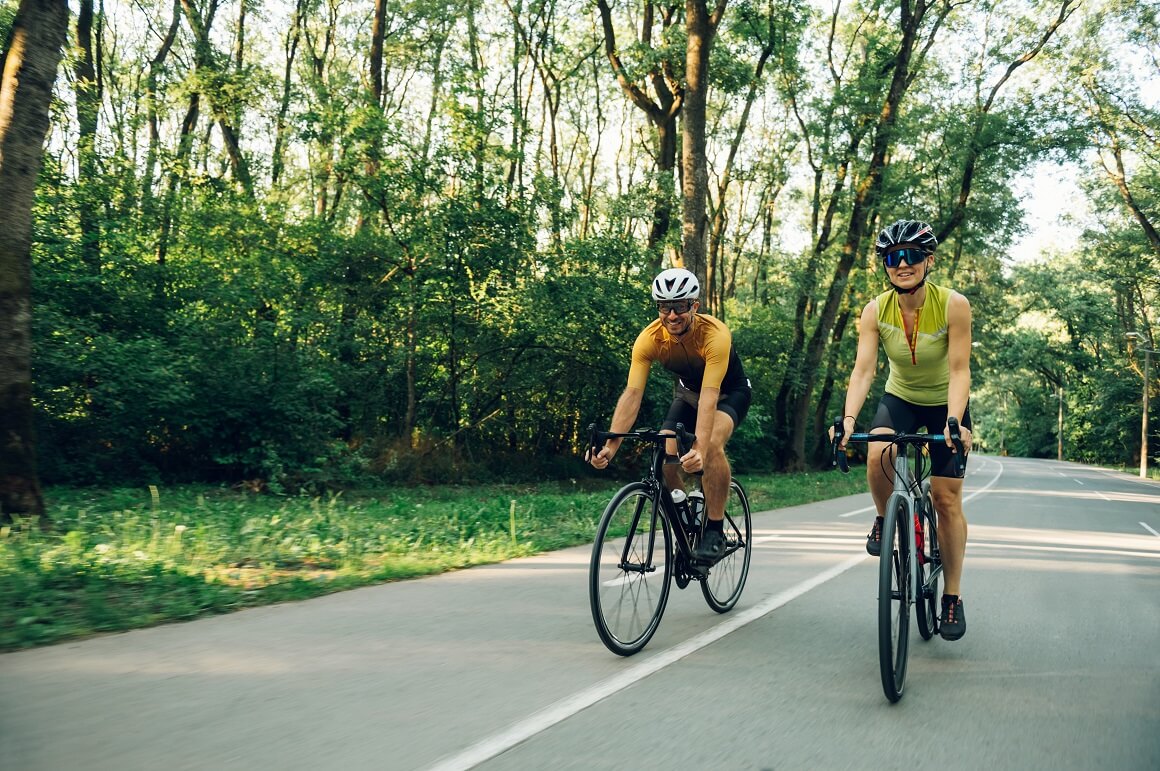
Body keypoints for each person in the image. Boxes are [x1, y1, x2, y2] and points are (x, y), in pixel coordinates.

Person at [831, 219, 973, 640]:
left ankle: (952, 596)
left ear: (929, 261)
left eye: (912, 256)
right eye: (894, 258)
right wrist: (849, 422)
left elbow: (959, 369)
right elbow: (863, 370)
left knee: (946, 500)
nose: (903, 264)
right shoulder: (875, 310)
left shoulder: (953, 305)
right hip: (901, 398)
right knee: (877, 452)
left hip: (945, 401)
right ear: (887, 266)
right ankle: (883, 517)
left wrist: (954, 421)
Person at [588, 267, 752, 564]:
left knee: (712, 444)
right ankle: (684, 517)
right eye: (665, 306)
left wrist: (700, 447)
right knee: (665, 451)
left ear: (694, 306)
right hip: (688, 395)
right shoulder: (649, 339)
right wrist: (611, 446)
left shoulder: (715, 335)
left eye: (679, 306)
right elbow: (632, 394)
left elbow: (710, 397)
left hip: (730, 393)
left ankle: (714, 530)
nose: (672, 315)